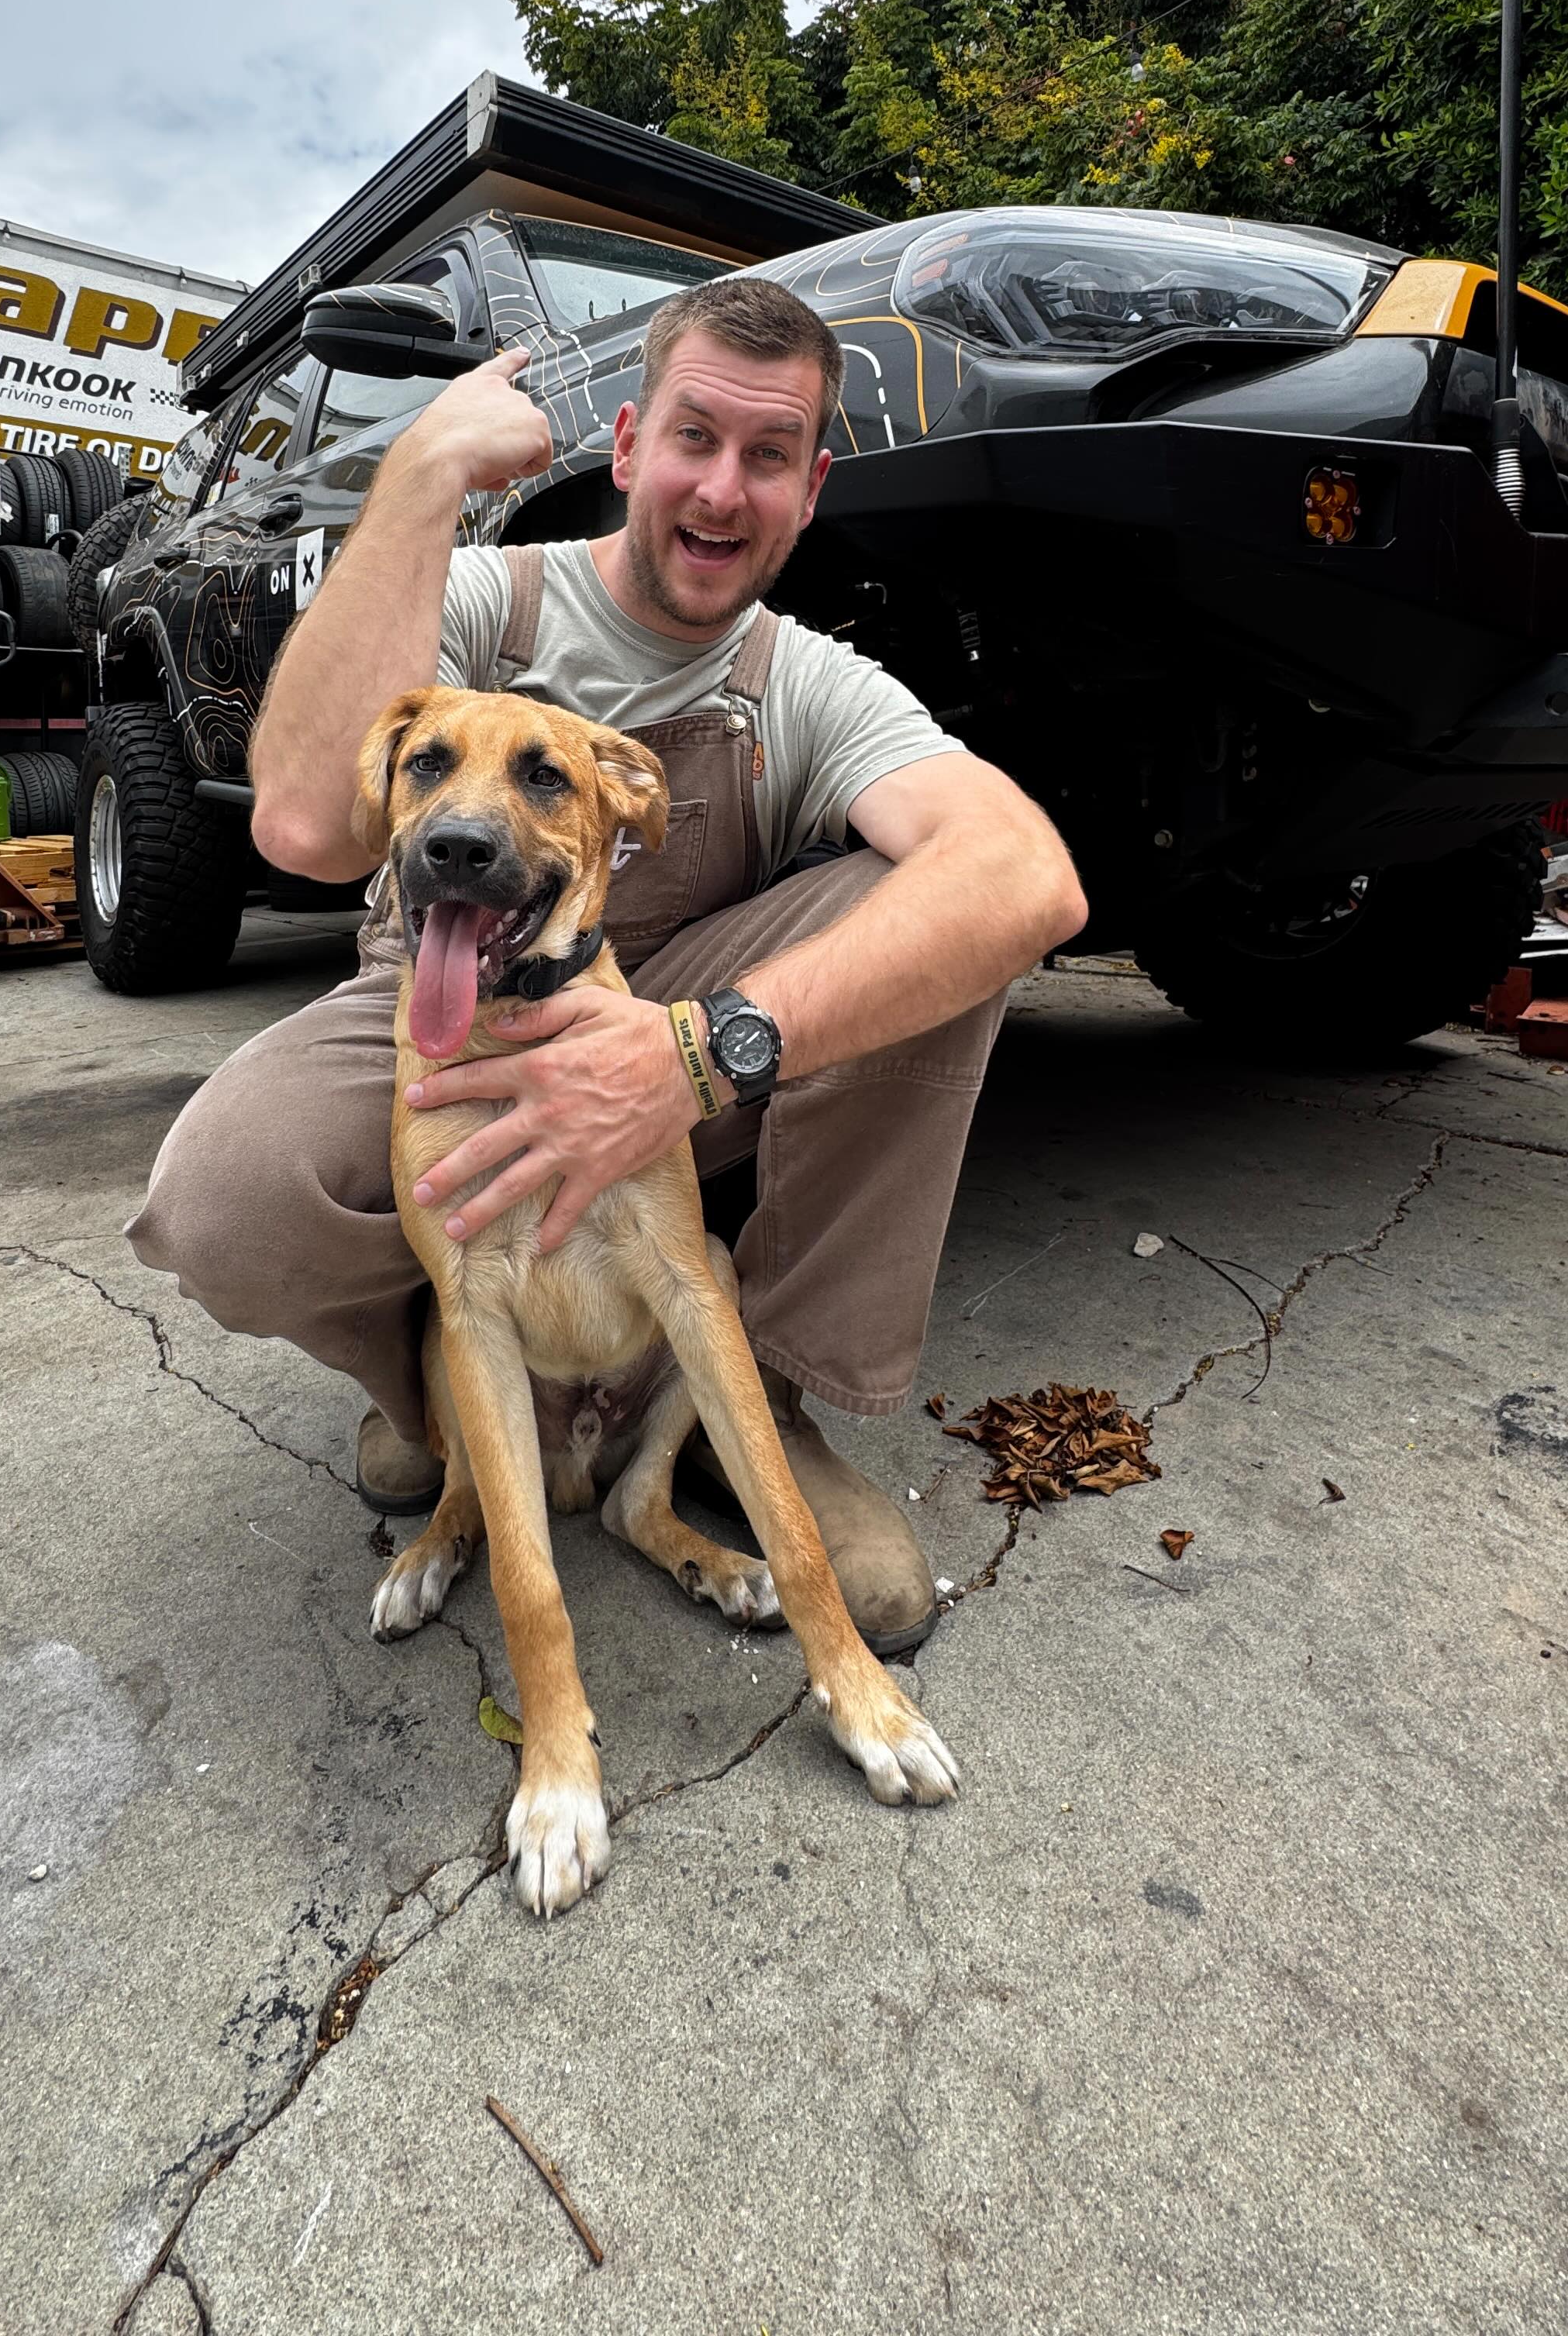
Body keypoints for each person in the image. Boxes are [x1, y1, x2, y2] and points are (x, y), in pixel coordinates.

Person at [129, 272, 1084, 1650]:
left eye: (768, 458)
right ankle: (448, 1396)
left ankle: (759, 1397)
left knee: (940, 915)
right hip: (440, 1003)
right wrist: (417, 482)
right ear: (628, 447)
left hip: (664, 1010)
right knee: (223, 1197)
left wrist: (694, 1055)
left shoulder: (807, 683)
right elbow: (299, 824)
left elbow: (1024, 875)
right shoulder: (468, 597)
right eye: (695, 437)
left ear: (810, 491)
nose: (722, 489)